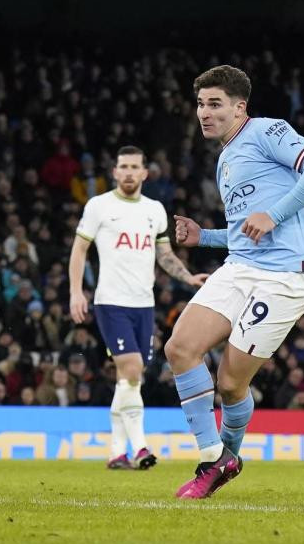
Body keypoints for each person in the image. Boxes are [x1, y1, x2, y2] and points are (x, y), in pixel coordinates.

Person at [167, 65, 304, 499]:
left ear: (239, 107)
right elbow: (248, 230)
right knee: (180, 348)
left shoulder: (265, 130)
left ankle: (229, 454)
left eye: (215, 104)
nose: (204, 112)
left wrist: (275, 213)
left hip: (286, 277)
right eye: (201, 104)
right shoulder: (226, 158)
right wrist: (203, 237)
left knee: (229, 384)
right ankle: (214, 457)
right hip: (240, 267)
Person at [69, 146, 207, 471]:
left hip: (144, 305)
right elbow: (78, 251)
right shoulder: (99, 206)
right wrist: (76, 292)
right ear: (115, 172)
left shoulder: (155, 210)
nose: (129, 172)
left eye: (135, 167)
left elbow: (164, 254)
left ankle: (116, 452)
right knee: (131, 369)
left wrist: (187, 277)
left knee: (130, 380)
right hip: (111, 302)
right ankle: (141, 448)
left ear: (145, 173)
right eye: (123, 167)